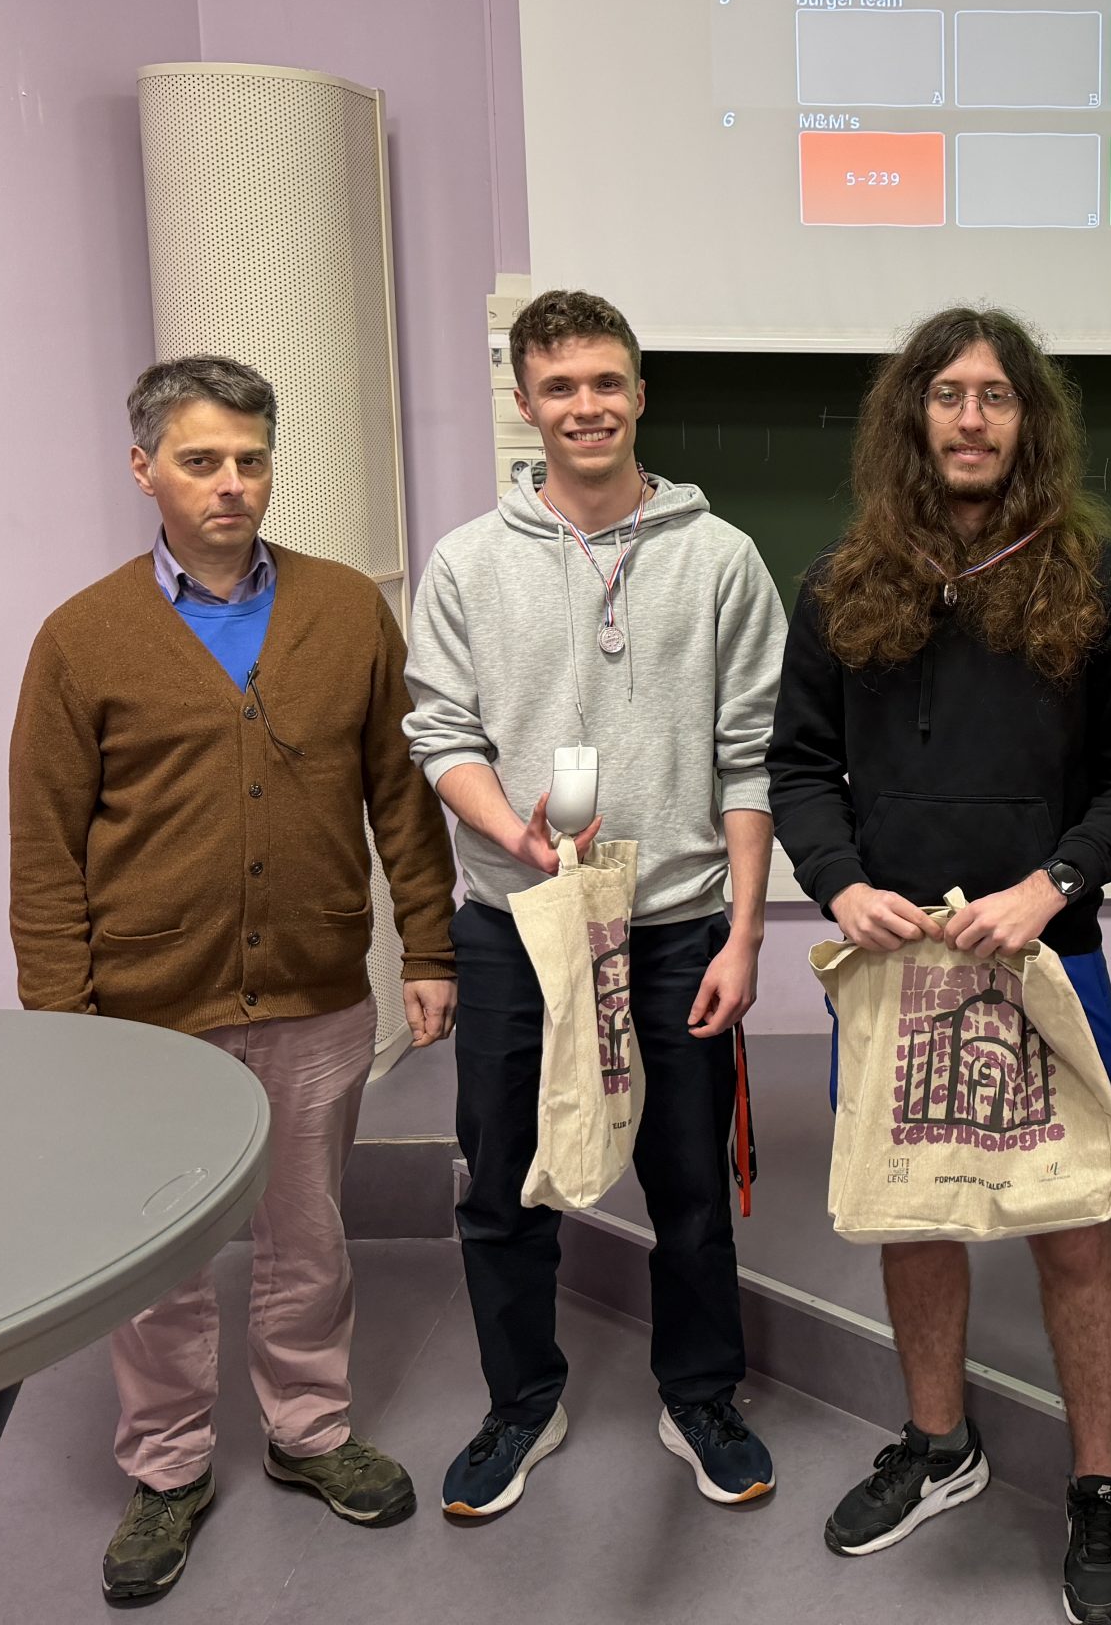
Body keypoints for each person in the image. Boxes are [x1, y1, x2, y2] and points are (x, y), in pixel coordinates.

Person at [10, 356, 460, 1605]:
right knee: (154, 1255)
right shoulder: (81, 637)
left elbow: (402, 802)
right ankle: (168, 1467)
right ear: (144, 468)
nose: (230, 484)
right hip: (144, 1013)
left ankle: (308, 1430)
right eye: (200, 460)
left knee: (306, 1233)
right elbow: (44, 848)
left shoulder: (346, 612)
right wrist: (63, 1022)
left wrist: (428, 949)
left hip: (315, 992)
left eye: (250, 460)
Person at [767, 306, 1111, 1625]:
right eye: (946, 393)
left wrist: (1051, 882)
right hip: (898, 968)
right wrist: (840, 884)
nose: (970, 416)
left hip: (1049, 956)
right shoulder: (839, 584)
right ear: (912, 418)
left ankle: (1098, 1480)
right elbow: (798, 767)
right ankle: (939, 1444)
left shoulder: (1105, 583)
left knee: (1073, 1223)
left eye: (996, 395)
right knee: (915, 1212)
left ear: (1029, 421)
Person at [405, 289, 786, 1521]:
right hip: (514, 924)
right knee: (499, 1184)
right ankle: (522, 1403)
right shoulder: (467, 563)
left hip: (674, 927)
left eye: (607, 382)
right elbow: (442, 735)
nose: (587, 406)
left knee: (688, 1187)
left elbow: (750, 756)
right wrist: (511, 831)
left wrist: (743, 930)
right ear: (526, 404)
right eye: (560, 386)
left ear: (639, 394)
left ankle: (700, 1395)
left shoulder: (719, 558)